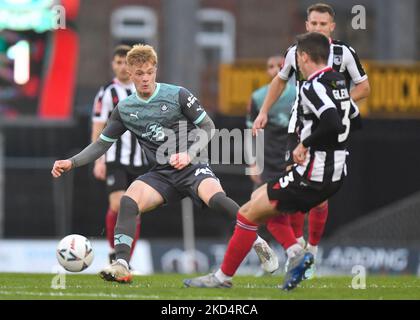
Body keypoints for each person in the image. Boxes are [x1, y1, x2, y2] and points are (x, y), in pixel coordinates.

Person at [51, 44, 277, 283]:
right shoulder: (125, 109)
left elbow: (208, 127)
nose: (145, 78)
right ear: (130, 73)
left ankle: (256, 240)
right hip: (161, 174)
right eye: (139, 73)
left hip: (193, 166)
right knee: (128, 201)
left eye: (149, 72)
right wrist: (72, 162)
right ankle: (122, 263)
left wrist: (189, 154)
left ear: (155, 70)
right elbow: (102, 144)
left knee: (217, 199)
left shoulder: (177, 94)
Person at [184, 31, 361, 291]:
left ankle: (223, 277)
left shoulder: (312, 85)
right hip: (335, 173)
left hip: (313, 174)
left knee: (247, 212)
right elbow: (354, 121)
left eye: (296, 57)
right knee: (261, 203)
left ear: (303, 56)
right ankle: (295, 253)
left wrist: (305, 143)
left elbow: (332, 122)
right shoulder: (338, 83)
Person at [252, 3, 370, 277]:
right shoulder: (296, 52)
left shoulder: (344, 53)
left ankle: (312, 252)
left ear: (332, 27)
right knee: (293, 189)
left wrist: (339, 104)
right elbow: (280, 81)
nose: (317, 28)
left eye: (323, 24)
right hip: (299, 130)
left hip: (330, 130)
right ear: (306, 26)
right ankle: (297, 250)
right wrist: (264, 112)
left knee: (318, 197)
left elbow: (364, 87)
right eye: (313, 23)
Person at [91, 45, 148, 265]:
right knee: (117, 205)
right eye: (118, 62)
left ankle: (125, 262)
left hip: (141, 159)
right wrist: (99, 159)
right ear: (113, 65)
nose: (123, 67)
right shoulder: (107, 92)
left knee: (135, 211)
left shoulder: (144, 90)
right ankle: (113, 251)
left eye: (126, 62)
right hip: (115, 157)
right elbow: (98, 127)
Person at [246, 55, 296, 186]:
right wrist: (252, 163)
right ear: (267, 71)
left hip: (290, 159)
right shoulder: (257, 97)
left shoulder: (297, 94)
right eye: (271, 67)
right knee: (258, 202)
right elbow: (251, 132)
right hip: (266, 161)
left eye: (279, 66)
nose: (275, 70)